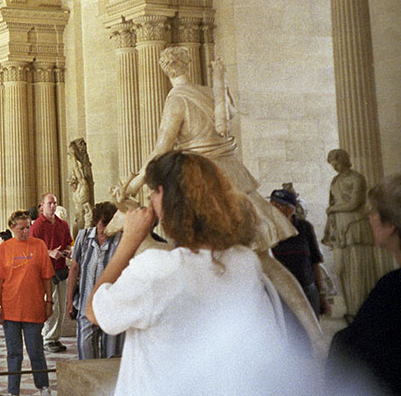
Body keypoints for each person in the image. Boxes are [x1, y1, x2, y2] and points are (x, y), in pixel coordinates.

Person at [111, 47, 319, 349]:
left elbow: (161, 151)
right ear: (187, 65)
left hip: (204, 185)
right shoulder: (209, 92)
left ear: (165, 70)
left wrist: (133, 186)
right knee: (265, 261)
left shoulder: (177, 99)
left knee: (196, 258)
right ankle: (314, 334)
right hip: (234, 177)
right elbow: (227, 120)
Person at [89, 151, 306, 396]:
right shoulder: (245, 262)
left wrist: (129, 240)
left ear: (170, 199)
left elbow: (95, 312)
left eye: (156, 191)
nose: (150, 197)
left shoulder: (157, 269)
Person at [328, 174, 401, 396]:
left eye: (373, 212)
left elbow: (352, 356)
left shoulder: (392, 290)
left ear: (390, 225)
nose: (369, 218)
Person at [0, 210, 55, 396]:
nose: (25, 231)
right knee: (14, 353)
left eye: (28, 227)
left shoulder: (39, 245)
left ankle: (43, 386)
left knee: (36, 351)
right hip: (10, 309)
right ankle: (13, 391)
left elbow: (47, 277)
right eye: (21, 228)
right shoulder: (5, 248)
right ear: (12, 227)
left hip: (34, 307)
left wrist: (49, 301)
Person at [323, 149, 380, 319]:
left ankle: (360, 309)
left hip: (354, 225)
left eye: (336, 162)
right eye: (332, 163)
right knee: (341, 270)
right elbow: (332, 203)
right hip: (338, 227)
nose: (334, 166)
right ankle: (350, 308)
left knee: (357, 269)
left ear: (344, 160)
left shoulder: (357, 178)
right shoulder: (335, 180)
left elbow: (355, 203)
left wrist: (333, 209)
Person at [66, 202, 124, 360]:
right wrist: (70, 299)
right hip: (86, 306)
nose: (105, 231)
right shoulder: (83, 237)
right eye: (102, 226)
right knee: (86, 355)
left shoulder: (121, 240)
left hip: (112, 308)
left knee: (112, 357)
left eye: (109, 225)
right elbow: (75, 269)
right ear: (96, 222)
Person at [269, 189, 328, 316]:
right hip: (280, 293)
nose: (272, 209)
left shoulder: (305, 227)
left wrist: (322, 295)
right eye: (271, 204)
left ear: (290, 210)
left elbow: (315, 262)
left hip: (306, 290)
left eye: (278, 205)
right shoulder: (267, 229)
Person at [30, 192, 72, 353]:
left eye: (54, 203)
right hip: (46, 271)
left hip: (61, 268)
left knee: (61, 305)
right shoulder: (38, 226)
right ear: (42, 206)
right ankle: (48, 338)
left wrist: (67, 251)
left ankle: (55, 337)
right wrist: (49, 252)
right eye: (50, 203)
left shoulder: (63, 224)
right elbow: (32, 247)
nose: (53, 206)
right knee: (52, 304)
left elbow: (68, 242)